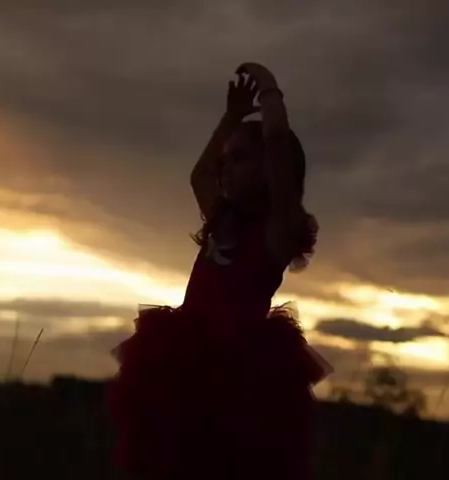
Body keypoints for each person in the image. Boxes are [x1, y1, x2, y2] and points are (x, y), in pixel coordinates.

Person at [108, 62, 332, 480]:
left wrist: (270, 93)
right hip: (185, 362)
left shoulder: (276, 231)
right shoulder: (223, 220)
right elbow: (200, 175)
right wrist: (231, 118)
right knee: (174, 457)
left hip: (241, 372)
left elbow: (278, 149)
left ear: (270, 171)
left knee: (230, 459)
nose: (226, 167)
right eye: (227, 159)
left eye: (241, 158)